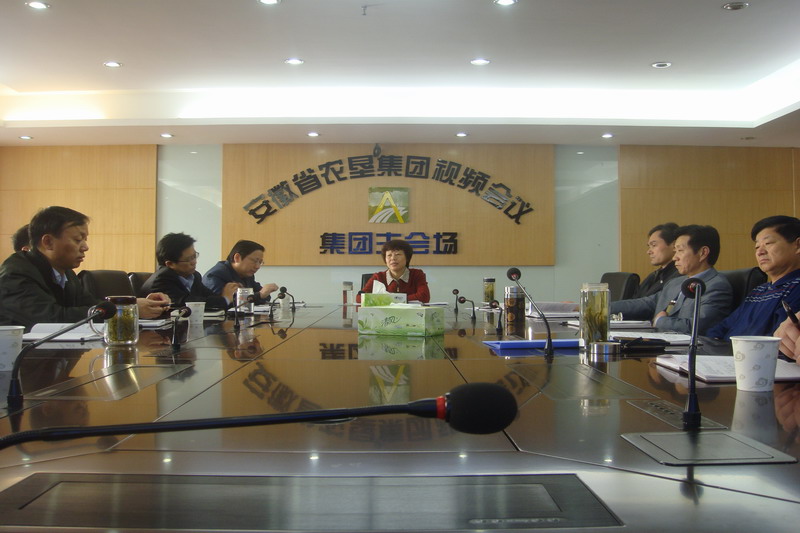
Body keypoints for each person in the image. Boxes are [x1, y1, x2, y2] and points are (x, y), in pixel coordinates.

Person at [0, 206, 170, 331]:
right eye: (78, 240)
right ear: (48, 242)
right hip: (22, 363)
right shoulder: (16, 273)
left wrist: (133, 304)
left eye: (85, 240)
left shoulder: (67, 273)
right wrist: (126, 311)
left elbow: (91, 305)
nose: (85, 247)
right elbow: (50, 319)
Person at [610, 224, 733, 334]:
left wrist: (660, 321)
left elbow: (697, 327)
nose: (675, 258)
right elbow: (647, 303)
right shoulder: (676, 282)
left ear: (703, 253)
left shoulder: (716, 286)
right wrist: (605, 307)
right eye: (675, 251)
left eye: (680, 251)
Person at [709, 216, 800, 343]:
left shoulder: (796, 287)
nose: (760, 252)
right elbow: (723, 327)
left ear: (797, 245)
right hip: (728, 352)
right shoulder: (759, 291)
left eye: (768, 243)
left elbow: (777, 339)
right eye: (757, 247)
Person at [139, 232, 237, 309]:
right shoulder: (162, 279)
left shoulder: (194, 276)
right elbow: (186, 303)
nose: (194, 262)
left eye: (194, 256)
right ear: (170, 264)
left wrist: (230, 296)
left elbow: (208, 297)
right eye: (189, 259)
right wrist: (224, 299)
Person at [202, 240, 278, 304]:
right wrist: (259, 295)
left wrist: (260, 295)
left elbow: (265, 296)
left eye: (260, 262)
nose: (257, 266)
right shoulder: (215, 276)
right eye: (255, 261)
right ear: (237, 258)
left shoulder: (247, 275)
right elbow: (222, 304)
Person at [358, 239, 430, 303]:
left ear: (407, 258)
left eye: (398, 254)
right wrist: (400, 300)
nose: (393, 258)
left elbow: (424, 296)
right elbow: (359, 298)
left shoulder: (416, 274)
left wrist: (389, 300)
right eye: (389, 255)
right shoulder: (378, 277)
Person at [632, 222, 681, 298]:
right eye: (649, 246)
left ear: (674, 245)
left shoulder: (680, 276)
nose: (649, 251)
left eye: (654, 245)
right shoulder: (654, 275)